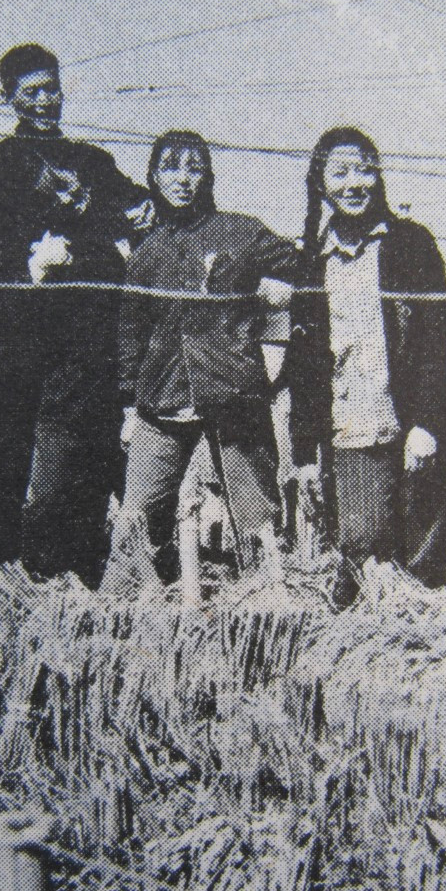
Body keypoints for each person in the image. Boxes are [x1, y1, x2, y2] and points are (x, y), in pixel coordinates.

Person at [0, 43, 151, 585]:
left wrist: (91, 213)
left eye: (51, 88)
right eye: (31, 92)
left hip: (84, 336)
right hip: (13, 335)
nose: (44, 101)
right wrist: (24, 264)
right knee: (6, 448)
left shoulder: (93, 161)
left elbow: (135, 213)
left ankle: (74, 568)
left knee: (82, 449)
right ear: (8, 97)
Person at [285, 126, 446, 604]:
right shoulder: (312, 262)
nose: (353, 183)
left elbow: (436, 343)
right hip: (351, 430)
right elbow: (303, 366)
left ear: (378, 175)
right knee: (363, 555)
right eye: (339, 172)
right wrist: (304, 452)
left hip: (410, 426)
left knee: (422, 566)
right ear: (320, 184)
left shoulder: (412, 245)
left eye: (364, 169)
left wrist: (428, 422)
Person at [114, 130, 299, 582]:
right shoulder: (147, 252)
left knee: (256, 514)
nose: (183, 179)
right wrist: (127, 404)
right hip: (163, 397)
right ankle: (124, 610)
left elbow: (302, 263)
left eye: (194, 168)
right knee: (138, 514)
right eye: (170, 168)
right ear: (154, 178)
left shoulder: (241, 231)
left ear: (208, 177)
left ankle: (267, 603)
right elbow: (130, 332)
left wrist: (278, 286)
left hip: (235, 392)